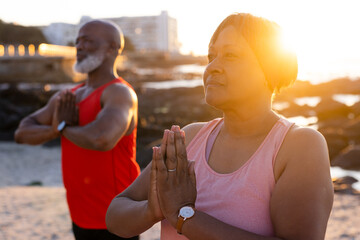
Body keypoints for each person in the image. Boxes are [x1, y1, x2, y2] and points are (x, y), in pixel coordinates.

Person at [105, 13, 334, 240]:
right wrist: (151, 211)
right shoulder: (190, 137)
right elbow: (115, 215)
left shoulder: (299, 146)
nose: (212, 66)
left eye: (231, 55)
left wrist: (184, 216)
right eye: (211, 56)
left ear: (270, 69)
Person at [14, 20, 140, 240]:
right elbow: (22, 133)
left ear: (112, 48)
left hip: (116, 217)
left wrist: (61, 128)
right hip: (79, 214)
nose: (79, 47)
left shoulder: (119, 93)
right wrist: (56, 130)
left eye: (88, 41)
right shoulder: (68, 96)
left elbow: (102, 138)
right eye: (77, 41)